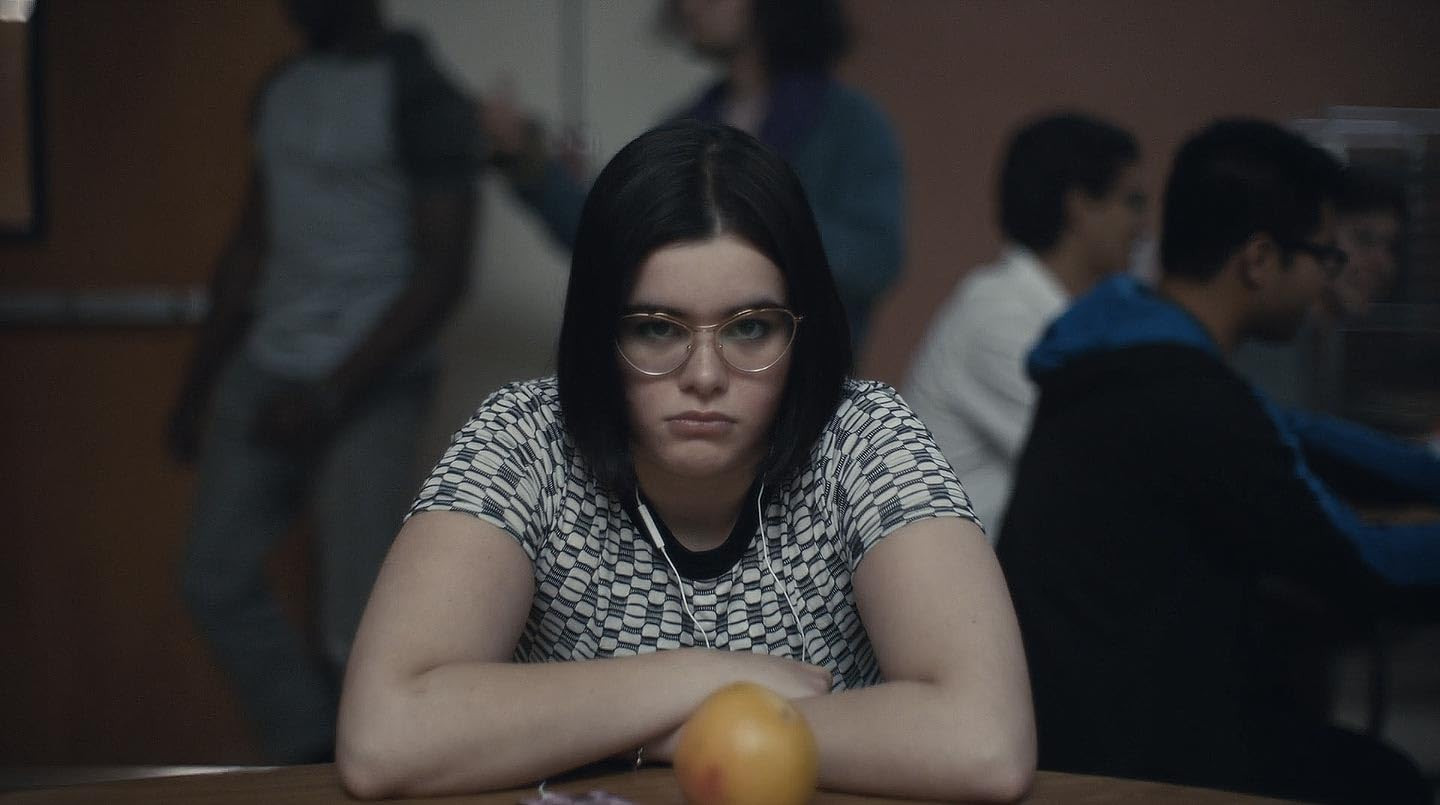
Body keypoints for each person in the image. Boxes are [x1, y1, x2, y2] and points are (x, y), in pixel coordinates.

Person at [334, 121, 1034, 801]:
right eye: (656, 328)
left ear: (803, 329)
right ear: (598, 333)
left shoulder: (863, 436)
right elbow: (384, 737)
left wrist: (666, 732)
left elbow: (983, 742)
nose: (704, 375)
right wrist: (706, 679)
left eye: (750, 327)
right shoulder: (524, 437)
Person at [996, 118, 1440, 804]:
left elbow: (1293, 433)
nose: (1327, 276)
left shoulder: (1128, 345)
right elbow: (1363, 565)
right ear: (1260, 260)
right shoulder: (1184, 397)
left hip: (1093, 718)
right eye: (1323, 255)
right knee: (1389, 783)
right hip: (1133, 753)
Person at [168, 0, 480, 763]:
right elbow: (250, 244)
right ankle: (313, 750)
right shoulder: (281, 89)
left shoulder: (422, 93)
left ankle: (376, 759)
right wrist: (196, 387)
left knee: (359, 623)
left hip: (374, 378)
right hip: (269, 365)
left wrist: (331, 395)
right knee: (212, 577)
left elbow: (443, 272)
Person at [483, 0, 904, 349]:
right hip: (683, 367)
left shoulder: (849, 122)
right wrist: (531, 162)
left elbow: (876, 257)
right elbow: (613, 237)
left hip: (805, 381)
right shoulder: (686, 125)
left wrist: (743, 220)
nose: (688, 6)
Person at [904, 113, 1144, 539]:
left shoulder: (1055, 314)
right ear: (1079, 207)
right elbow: (1105, 466)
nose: (1142, 226)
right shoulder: (1000, 315)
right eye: (1132, 202)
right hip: (950, 571)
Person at [1233, 166, 1407, 412]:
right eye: (1364, 240)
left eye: (1391, 247)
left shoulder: (1326, 334)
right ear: (1319, 240)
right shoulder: (1274, 339)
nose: (1384, 264)